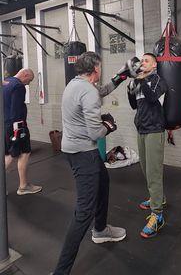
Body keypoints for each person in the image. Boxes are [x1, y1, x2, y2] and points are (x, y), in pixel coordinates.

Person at [52, 52, 140, 275]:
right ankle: (60, 271)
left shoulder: (75, 84)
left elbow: (101, 91)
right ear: (96, 69)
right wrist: (109, 126)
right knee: (83, 212)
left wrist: (121, 76)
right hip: (84, 153)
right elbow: (95, 132)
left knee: (104, 183)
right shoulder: (88, 92)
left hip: (75, 150)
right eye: (100, 67)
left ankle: (100, 230)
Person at [127, 53, 168, 238]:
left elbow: (152, 99)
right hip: (142, 129)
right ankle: (158, 197)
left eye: (146, 61)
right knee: (145, 168)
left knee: (153, 172)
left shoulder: (159, 81)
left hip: (154, 130)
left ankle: (157, 215)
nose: (142, 62)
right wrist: (130, 88)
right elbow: (134, 105)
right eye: (141, 60)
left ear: (154, 65)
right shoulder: (139, 81)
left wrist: (140, 79)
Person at [3, 68, 42, 195]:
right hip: (16, 125)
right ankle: (23, 186)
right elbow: (16, 109)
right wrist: (20, 128)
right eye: (29, 80)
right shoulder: (19, 86)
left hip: (4, 124)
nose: (28, 84)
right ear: (25, 75)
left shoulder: (6, 81)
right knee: (24, 152)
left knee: (8, 154)